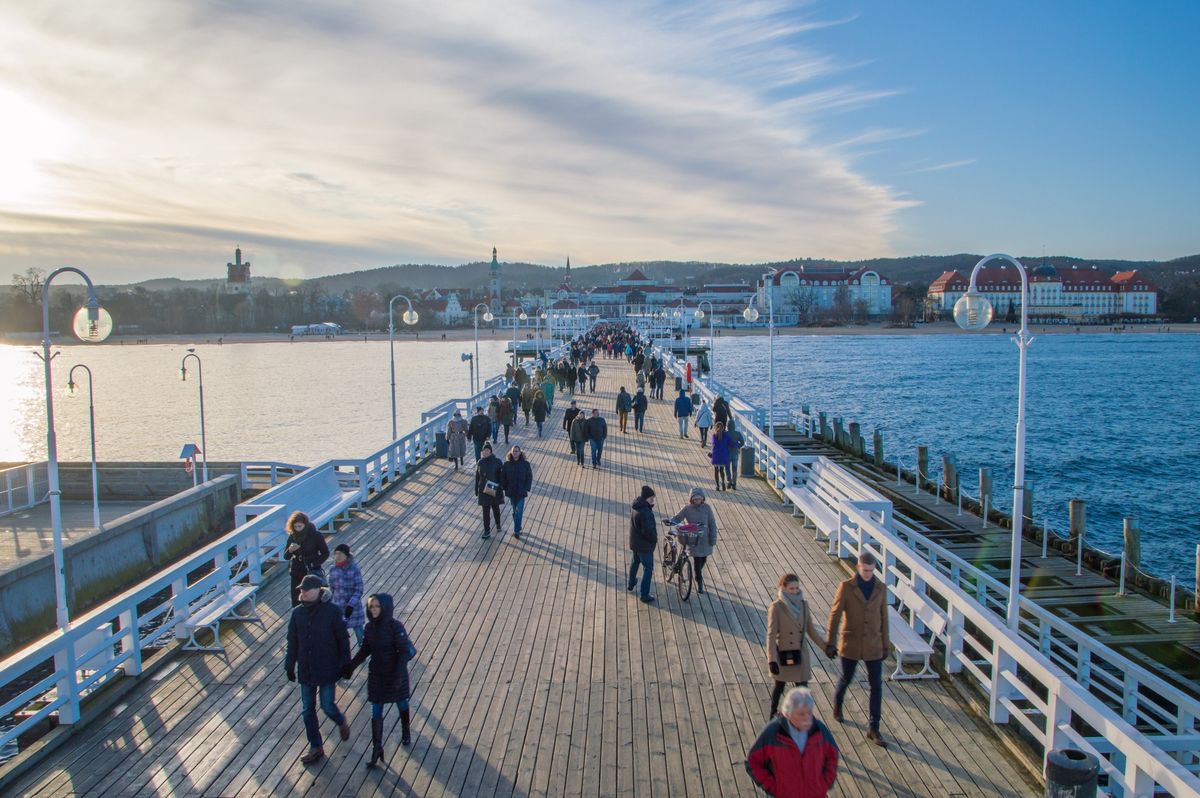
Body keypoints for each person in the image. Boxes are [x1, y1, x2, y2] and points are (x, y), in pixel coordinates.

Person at [285, 574, 352, 765]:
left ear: (318, 590)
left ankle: (340, 720)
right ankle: (316, 746)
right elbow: (292, 642)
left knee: (327, 705)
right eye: (301, 590)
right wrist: (289, 665)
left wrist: (346, 663)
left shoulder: (332, 611)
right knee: (307, 710)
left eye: (307, 589)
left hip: (327, 667)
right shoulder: (297, 613)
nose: (303, 592)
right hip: (306, 669)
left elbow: (342, 639)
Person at [344, 593, 415, 767]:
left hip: (395, 672)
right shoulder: (369, 628)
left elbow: (405, 651)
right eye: (371, 607)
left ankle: (406, 730)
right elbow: (365, 650)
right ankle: (377, 748)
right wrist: (351, 666)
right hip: (376, 674)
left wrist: (399, 675)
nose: (374, 610)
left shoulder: (395, 626)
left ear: (385, 608)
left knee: (402, 703)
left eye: (377, 606)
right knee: (376, 710)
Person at [827, 552, 889, 747]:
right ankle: (838, 704)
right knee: (847, 678)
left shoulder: (880, 588)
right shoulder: (846, 587)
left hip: (873, 644)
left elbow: (884, 618)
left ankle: (874, 727)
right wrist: (830, 642)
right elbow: (835, 615)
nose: (868, 574)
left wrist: (885, 644)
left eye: (871, 571)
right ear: (858, 567)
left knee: (876, 686)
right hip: (851, 641)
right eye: (865, 570)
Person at [745, 687, 839, 798]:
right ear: (787, 714)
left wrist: (824, 784)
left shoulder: (820, 730)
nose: (807, 718)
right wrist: (773, 788)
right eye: (801, 714)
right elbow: (752, 761)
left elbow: (833, 755)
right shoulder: (773, 733)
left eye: (809, 712)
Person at [767, 574, 828, 718]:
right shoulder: (776, 607)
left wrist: (826, 647)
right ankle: (772, 715)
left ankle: (804, 717)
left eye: (797, 588)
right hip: (783, 652)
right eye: (791, 588)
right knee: (779, 686)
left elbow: (811, 630)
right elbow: (771, 634)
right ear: (783, 588)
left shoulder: (804, 605)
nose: (795, 591)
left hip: (800, 653)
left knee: (802, 688)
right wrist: (772, 659)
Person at [668, 487, 717, 594]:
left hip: (705, 540)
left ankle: (697, 575)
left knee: (703, 560)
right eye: (695, 499)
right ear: (691, 499)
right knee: (697, 561)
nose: (697, 501)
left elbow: (712, 523)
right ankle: (699, 582)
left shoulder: (707, 508)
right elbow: (678, 517)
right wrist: (670, 521)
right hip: (693, 539)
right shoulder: (687, 509)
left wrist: (713, 539)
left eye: (699, 499)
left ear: (703, 499)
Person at [284, 511, 329, 607]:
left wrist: (314, 563)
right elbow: (286, 557)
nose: (297, 529)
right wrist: (290, 550)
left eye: (300, 526)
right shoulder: (292, 536)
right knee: (296, 600)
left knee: (312, 598)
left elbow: (325, 553)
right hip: (296, 571)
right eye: (295, 527)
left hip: (311, 570)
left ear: (305, 524)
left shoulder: (315, 535)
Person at [328, 543, 366, 646]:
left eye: (340, 554)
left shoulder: (354, 569)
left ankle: (364, 652)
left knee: (359, 632)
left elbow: (359, 589)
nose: (337, 556)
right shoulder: (333, 569)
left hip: (352, 607)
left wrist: (351, 604)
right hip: (338, 607)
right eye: (336, 554)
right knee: (338, 634)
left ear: (347, 555)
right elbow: (331, 588)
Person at [627, 485, 658, 604]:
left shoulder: (636, 506)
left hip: (635, 543)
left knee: (634, 563)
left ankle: (631, 583)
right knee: (648, 568)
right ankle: (644, 594)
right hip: (644, 546)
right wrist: (654, 538)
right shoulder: (645, 512)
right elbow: (648, 531)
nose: (652, 501)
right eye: (651, 499)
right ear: (646, 498)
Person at [501, 444, 533, 539]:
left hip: (521, 491)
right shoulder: (507, 464)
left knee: (519, 511)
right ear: (511, 452)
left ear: (520, 452)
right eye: (514, 451)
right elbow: (503, 477)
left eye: (517, 451)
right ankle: (518, 525)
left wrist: (527, 487)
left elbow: (529, 476)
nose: (515, 453)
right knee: (515, 511)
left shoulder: (525, 464)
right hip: (511, 491)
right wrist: (504, 487)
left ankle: (516, 531)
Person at [474, 443, 505, 539]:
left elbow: (502, 476)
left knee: (495, 508)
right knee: (485, 511)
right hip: (483, 489)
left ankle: (498, 524)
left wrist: (501, 486)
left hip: (494, 489)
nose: (485, 452)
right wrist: (476, 489)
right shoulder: (480, 462)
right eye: (484, 451)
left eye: (487, 450)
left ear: (491, 452)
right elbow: (477, 477)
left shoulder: (497, 462)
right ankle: (487, 530)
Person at [709, 421, 733, 491]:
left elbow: (714, 445)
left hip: (716, 455)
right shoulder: (726, 436)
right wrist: (737, 445)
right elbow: (731, 443)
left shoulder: (714, 436)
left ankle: (717, 485)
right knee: (722, 470)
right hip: (723, 455)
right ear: (723, 428)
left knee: (716, 471)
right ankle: (723, 483)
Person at [725, 419, 744, 490]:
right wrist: (738, 446)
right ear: (734, 426)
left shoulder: (725, 434)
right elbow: (742, 442)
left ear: (727, 426)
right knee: (734, 469)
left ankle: (729, 481)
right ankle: (734, 482)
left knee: (727, 468)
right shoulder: (738, 433)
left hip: (727, 453)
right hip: (735, 453)